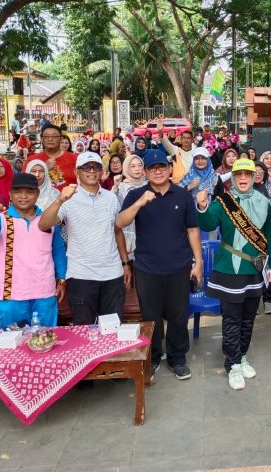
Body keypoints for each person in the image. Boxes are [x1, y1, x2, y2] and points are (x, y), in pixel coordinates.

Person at [116, 148, 203, 380]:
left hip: (179, 266)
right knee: (150, 315)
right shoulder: (137, 195)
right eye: (152, 168)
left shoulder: (182, 195)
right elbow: (120, 222)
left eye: (161, 167)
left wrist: (199, 262)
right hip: (147, 267)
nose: (157, 171)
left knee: (178, 314)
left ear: (169, 169)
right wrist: (139, 204)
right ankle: (153, 356)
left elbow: (192, 229)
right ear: (145, 172)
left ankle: (177, 358)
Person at [195, 159, 271, 390]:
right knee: (232, 320)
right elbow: (208, 224)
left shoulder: (263, 202)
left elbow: (270, 235)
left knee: (248, 318)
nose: (243, 179)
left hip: (255, 270)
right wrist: (202, 207)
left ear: (254, 177)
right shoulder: (223, 202)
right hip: (229, 270)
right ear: (232, 177)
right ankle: (232, 364)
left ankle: (241, 356)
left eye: (247, 175)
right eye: (238, 174)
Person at [38, 151, 131, 325]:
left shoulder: (111, 198)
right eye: (86, 167)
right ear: (76, 172)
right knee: (85, 330)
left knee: (111, 330)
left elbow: (117, 231)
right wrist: (59, 200)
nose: (91, 171)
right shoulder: (68, 198)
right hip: (81, 275)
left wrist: (125, 263)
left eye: (96, 167)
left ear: (101, 171)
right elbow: (43, 225)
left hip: (112, 274)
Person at [0, 173, 67, 329]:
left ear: (37, 194)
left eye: (29, 192)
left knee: (45, 339)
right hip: (11, 293)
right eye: (18, 192)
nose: (23, 196)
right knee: (12, 341)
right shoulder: (1, 219)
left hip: (44, 289)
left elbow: (58, 250)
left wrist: (62, 277)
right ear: (10, 194)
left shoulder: (47, 219)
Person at [24, 124, 78, 190]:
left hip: (69, 199)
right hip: (41, 199)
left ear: (60, 139)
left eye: (54, 136)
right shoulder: (32, 160)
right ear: (42, 139)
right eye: (46, 136)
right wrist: (45, 168)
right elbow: (24, 184)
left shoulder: (74, 158)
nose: (50, 139)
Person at [115, 154, 147, 256]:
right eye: (132, 166)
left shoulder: (149, 184)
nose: (137, 169)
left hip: (147, 232)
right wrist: (115, 188)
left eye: (139, 165)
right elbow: (115, 208)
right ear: (126, 168)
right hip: (127, 234)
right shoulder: (121, 187)